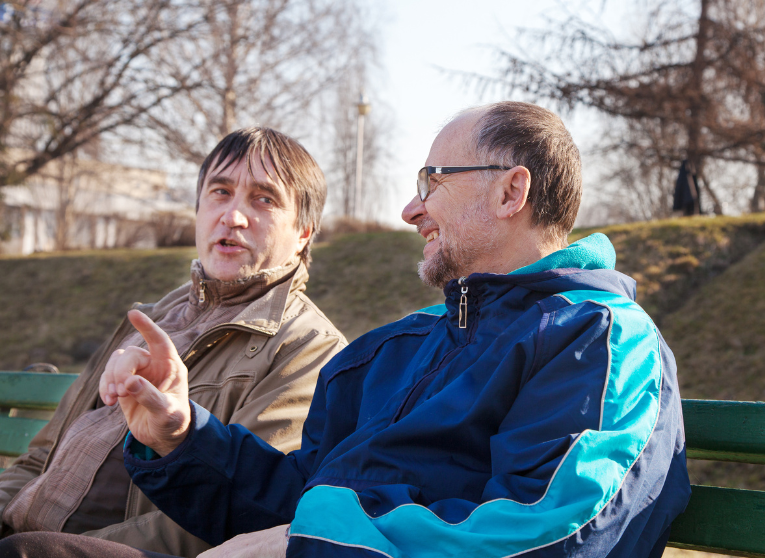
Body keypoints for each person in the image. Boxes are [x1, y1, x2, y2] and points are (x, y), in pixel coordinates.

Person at [0, 101, 691, 558]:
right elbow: (291, 496)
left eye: (432, 180)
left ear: (511, 192)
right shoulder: (390, 351)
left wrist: (305, 542)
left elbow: (560, 534)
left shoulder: (597, 338)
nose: (408, 208)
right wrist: (181, 437)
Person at [0, 128, 346, 557]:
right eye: (220, 192)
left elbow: (244, 514)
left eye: (264, 199)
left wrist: (53, 547)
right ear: (199, 209)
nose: (234, 217)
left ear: (303, 234)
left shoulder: (309, 349)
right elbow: (40, 457)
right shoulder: (149, 320)